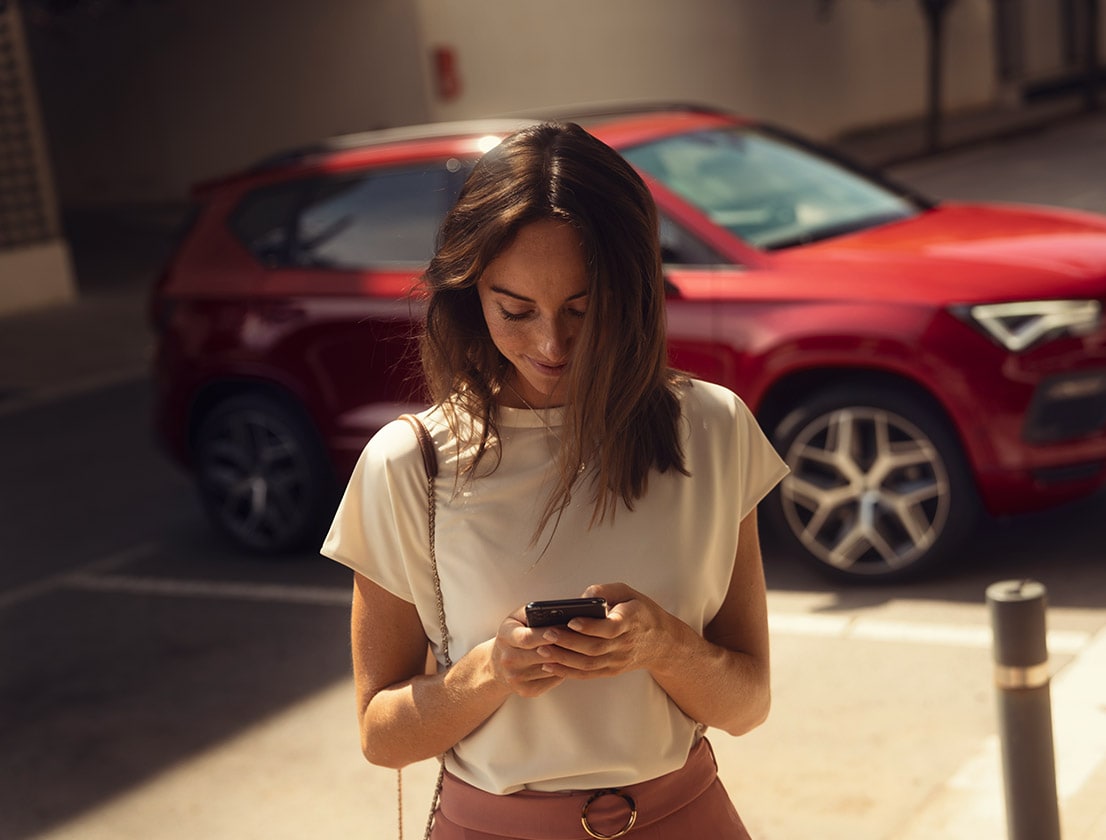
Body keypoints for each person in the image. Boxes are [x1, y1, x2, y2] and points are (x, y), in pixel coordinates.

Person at [322, 121, 789, 839]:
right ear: (470, 292)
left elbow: (748, 706)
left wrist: (663, 646)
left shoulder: (713, 429)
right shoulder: (408, 464)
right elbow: (381, 736)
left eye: (581, 308)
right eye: (515, 310)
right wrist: (493, 671)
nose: (550, 343)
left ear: (632, 292)